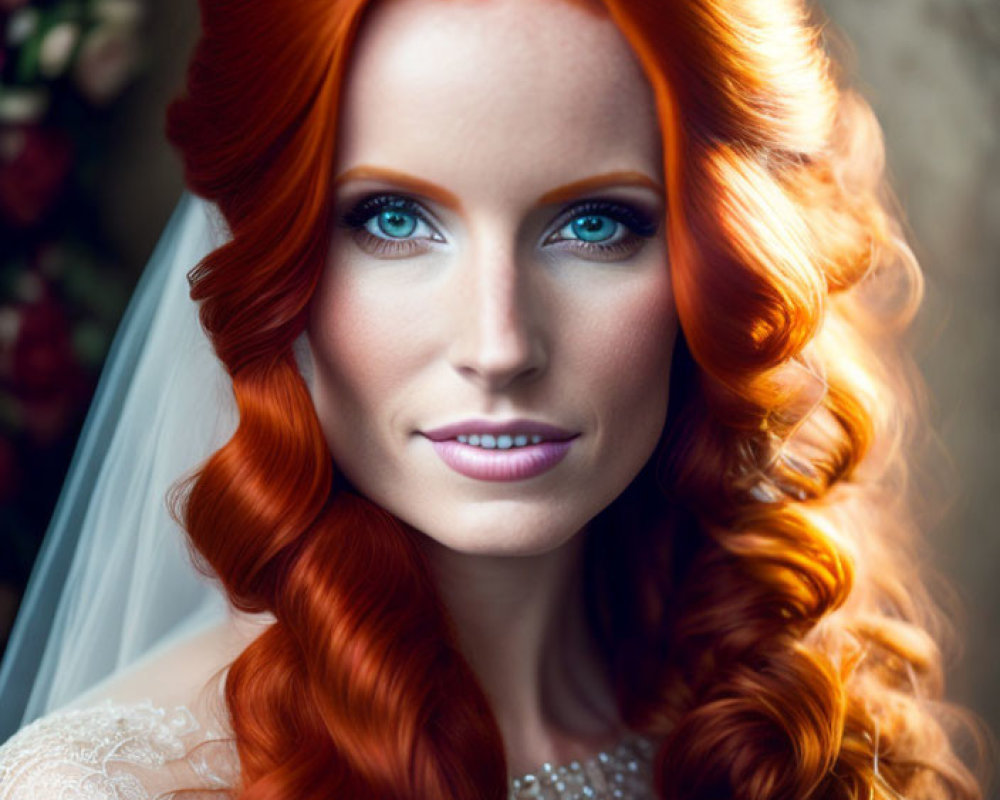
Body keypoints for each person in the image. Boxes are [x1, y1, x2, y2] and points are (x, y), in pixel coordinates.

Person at [0, 0, 986, 797]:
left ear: (716, 266)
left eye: (596, 224)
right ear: (271, 268)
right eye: (392, 219)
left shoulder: (775, 713)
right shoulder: (109, 784)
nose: (499, 344)